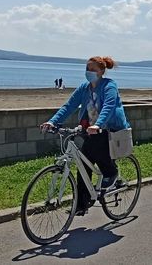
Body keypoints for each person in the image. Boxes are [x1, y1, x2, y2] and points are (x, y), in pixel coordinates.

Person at [41, 56, 130, 216]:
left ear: (102, 71)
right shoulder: (84, 88)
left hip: (109, 128)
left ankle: (111, 173)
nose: (89, 72)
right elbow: (69, 106)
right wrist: (52, 121)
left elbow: (109, 106)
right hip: (90, 129)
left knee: (99, 149)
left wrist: (98, 124)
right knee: (82, 163)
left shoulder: (109, 86)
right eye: (87, 69)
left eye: (93, 70)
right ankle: (82, 204)